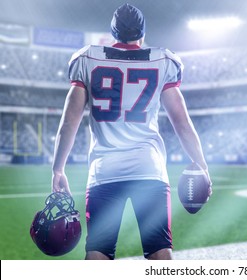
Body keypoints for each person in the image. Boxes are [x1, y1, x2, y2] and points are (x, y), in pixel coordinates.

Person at [51, 3, 211, 260]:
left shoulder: (87, 58)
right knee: (160, 250)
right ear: (143, 33)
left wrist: (58, 169)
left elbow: (69, 123)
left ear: (113, 32)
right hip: (149, 169)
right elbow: (182, 122)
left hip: (104, 171)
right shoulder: (162, 60)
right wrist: (201, 165)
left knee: (98, 252)